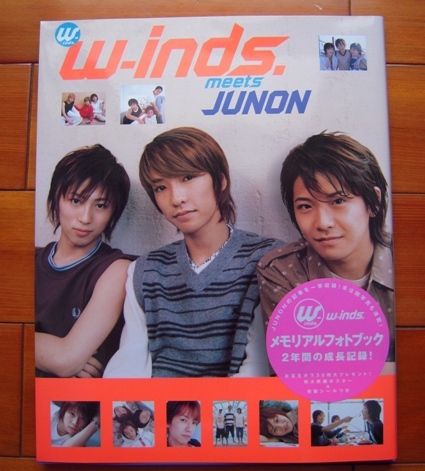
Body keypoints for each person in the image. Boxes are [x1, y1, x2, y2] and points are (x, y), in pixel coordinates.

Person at [104, 127, 282, 378]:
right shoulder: (145, 270)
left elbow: (256, 369)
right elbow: (129, 364)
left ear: (220, 180)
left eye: (188, 177)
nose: (176, 198)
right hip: (155, 402)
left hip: (234, 402)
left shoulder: (267, 259)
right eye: (160, 187)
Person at [257, 131, 395, 362]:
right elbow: (294, 366)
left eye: (338, 201)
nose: (322, 223)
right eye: (305, 206)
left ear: (374, 202)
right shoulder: (281, 271)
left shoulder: (411, 262)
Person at [35, 144, 132, 378]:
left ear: (113, 212)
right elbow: (65, 359)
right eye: (76, 200)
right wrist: (53, 356)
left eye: (100, 205)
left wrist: (60, 357)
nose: (86, 218)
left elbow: (65, 360)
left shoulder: (116, 269)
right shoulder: (27, 260)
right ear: (56, 198)